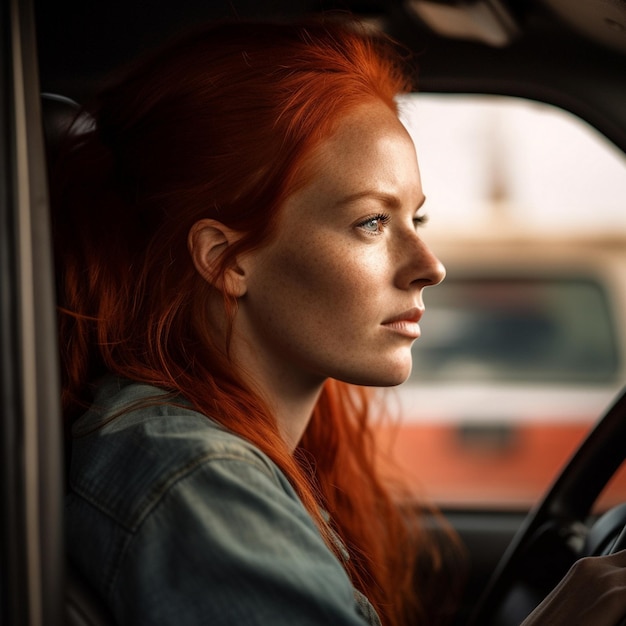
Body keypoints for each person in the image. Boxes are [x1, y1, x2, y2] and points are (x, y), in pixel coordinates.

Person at [52, 17, 626, 626]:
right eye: (372, 223)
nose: (429, 267)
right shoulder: (196, 475)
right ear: (225, 259)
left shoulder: (222, 450)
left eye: (417, 221)